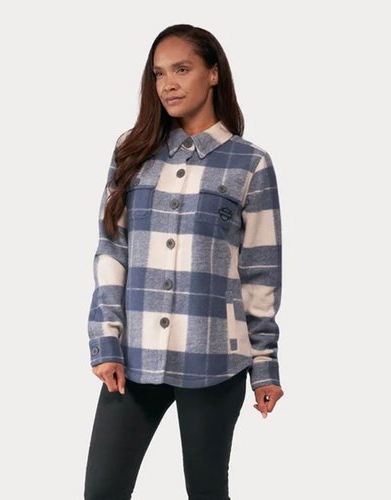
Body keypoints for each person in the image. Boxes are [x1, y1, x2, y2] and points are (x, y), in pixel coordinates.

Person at [83, 23, 284, 500]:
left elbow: (260, 273)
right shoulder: (132, 153)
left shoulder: (250, 164)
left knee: (207, 492)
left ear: (213, 74)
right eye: (158, 74)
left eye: (181, 69)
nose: (167, 84)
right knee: (103, 490)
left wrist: (265, 365)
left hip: (216, 358)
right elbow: (112, 250)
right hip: (134, 358)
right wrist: (105, 341)